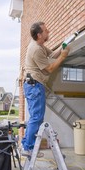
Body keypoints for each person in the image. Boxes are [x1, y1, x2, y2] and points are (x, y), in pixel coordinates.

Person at [20, 21, 70, 156]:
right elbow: (49, 69)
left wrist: (63, 46)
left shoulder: (40, 46)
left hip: (34, 85)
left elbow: (52, 54)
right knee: (36, 118)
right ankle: (28, 148)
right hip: (34, 86)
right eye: (46, 31)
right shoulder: (35, 49)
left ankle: (26, 145)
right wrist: (63, 56)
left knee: (35, 118)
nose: (48, 32)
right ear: (39, 35)